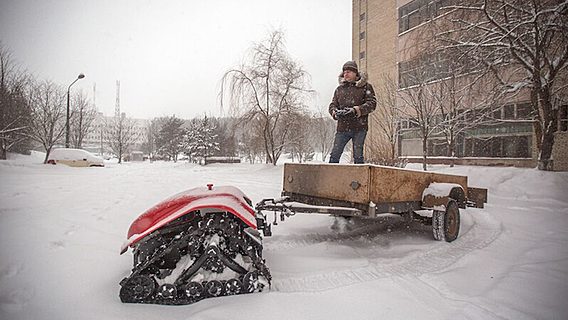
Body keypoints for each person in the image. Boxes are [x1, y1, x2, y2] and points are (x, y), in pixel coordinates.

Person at [328, 60, 377, 164]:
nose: (346, 73)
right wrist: (335, 112)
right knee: (334, 155)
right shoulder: (339, 89)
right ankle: (331, 178)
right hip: (342, 128)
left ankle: (359, 179)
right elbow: (332, 105)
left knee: (358, 156)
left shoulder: (365, 87)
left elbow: (372, 104)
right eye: (344, 72)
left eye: (349, 71)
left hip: (360, 127)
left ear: (356, 73)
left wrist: (356, 110)